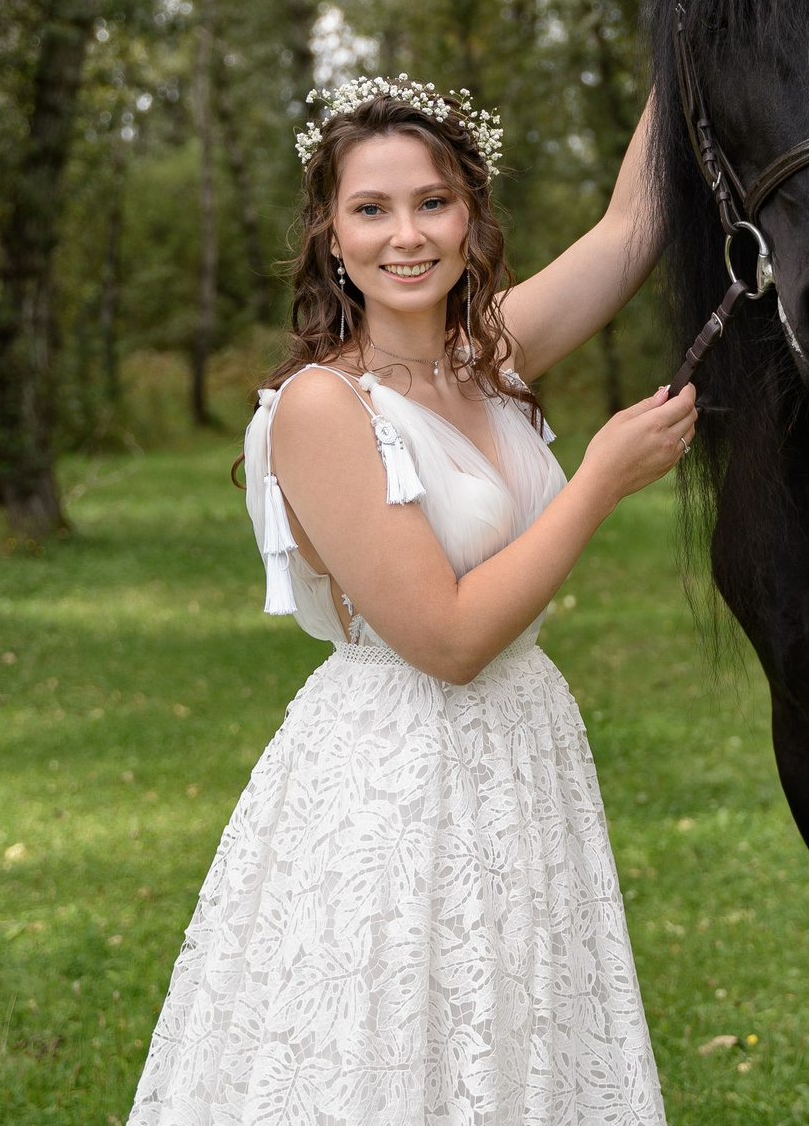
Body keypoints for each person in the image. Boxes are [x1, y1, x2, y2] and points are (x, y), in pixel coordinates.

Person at [130, 75, 694, 1125]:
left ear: (471, 216)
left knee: (511, 1039)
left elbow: (630, 228)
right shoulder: (320, 406)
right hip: (401, 774)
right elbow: (446, 637)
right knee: (397, 1054)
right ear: (329, 234)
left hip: (521, 754)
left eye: (431, 202)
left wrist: (697, 24)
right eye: (371, 208)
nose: (407, 235)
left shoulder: (483, 362)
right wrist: (602, 478)